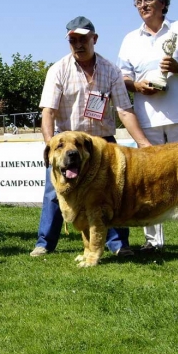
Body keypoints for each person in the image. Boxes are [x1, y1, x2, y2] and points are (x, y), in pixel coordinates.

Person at [30, 16, 151, 258]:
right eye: (72, 40)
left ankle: (118, 245)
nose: (78, 44)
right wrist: (50, 145)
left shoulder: (111, 70)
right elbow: (48, 112)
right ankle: (45, 243)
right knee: (55, 193)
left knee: (115, 193)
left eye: (83, 39)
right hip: (68, 146)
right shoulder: (58, 70)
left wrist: (143, 143)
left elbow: (124, 111)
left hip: (103, 144)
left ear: (94, 39)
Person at [117, 0, 178, 257]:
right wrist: (137, 86)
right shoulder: (130, 39)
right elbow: (123, 78)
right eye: (138, 3)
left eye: (147, 0)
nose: (143, 6)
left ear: (163, 4)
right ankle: (153, 242)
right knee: (149, 181)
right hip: (147, 120)